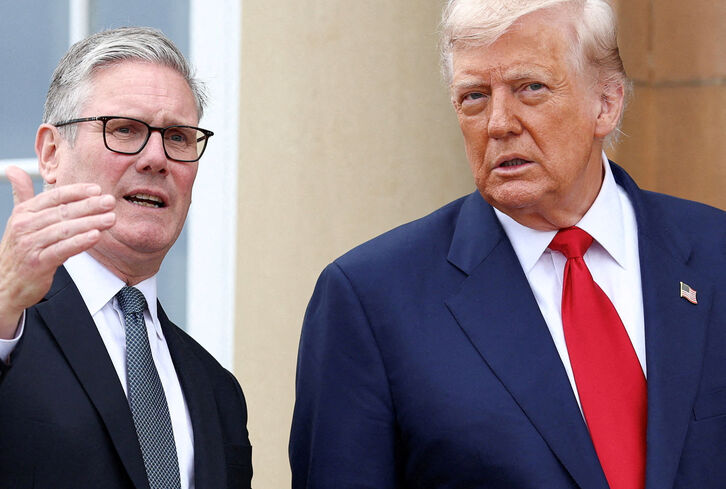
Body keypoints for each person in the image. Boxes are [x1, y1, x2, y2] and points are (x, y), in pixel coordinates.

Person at [289, 0, 726, 488]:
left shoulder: (715, 256)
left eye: (530, 88)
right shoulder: (371, 300)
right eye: (474, 96)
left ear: (606, 102)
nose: (498, 123)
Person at [0, 27, 252, 489]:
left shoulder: (215, 389)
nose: (156, 158)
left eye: (178, 137)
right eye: (125, 130)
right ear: (51, 153)